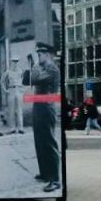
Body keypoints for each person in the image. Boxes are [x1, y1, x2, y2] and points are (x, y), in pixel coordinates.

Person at [28, 42, 62, 193]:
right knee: (39, 140)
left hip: (47, 105)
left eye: (40, 54)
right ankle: (45, 173)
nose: (38, 57)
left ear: (47, 54)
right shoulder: (43, 68)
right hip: (39, 104)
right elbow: (27, 80)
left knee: (49, 141)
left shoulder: (52, 69)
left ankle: (55, 179)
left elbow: (34, 79)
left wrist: (34, 66)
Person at [1, 57, 24, 134]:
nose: (15, 63)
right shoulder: (8, 72)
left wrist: (22, 89)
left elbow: (24, 80)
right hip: (11, 90)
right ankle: (12, 128)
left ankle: (20, 128)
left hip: (18, 89)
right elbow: (2, 81)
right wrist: (5, 90)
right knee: (11, 110)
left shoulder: (21, 71)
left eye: (16, 61)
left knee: (19, 110)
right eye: (14, 61)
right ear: (11, 62)